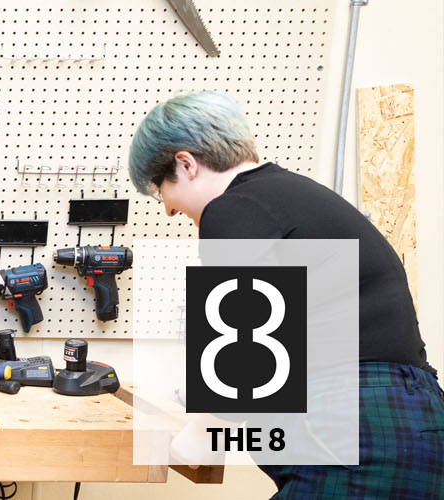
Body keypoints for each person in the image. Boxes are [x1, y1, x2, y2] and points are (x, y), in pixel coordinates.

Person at [128, 91, 442, 498]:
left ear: (186, 164)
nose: (169, 210)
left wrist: (206, 429)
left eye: (160, 190)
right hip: (412, 419)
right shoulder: (294, 197)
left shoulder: (234, 208)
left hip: (356, 429)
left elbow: (244, 340)